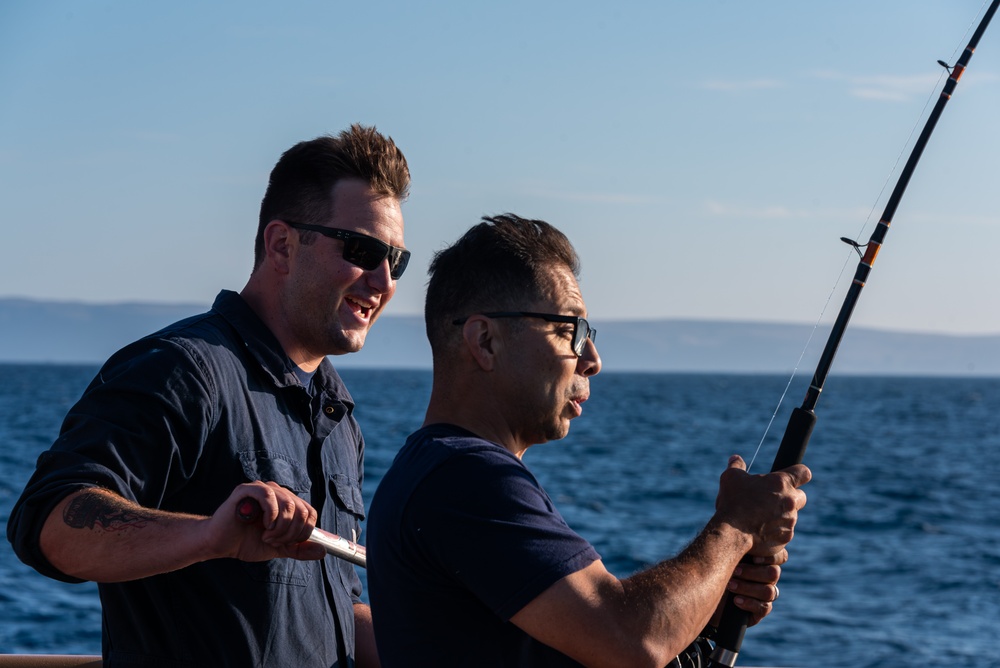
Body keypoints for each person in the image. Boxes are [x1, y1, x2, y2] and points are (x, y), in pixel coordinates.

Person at [7, 124, 410, 667]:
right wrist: (210, 537)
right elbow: (51, 523)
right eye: (363, 250)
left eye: (397, 261)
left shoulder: (337, 416)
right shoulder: (180, 370)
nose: (382, 280)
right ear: (283, 246)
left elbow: (334, 612)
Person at [366, 214, 812, 668]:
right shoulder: (464, 479)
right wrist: (737, 528)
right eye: (570, 330)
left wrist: (707, 609)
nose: (593, 359)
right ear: (485, 341)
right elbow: (634, 641)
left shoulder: (438, 472)